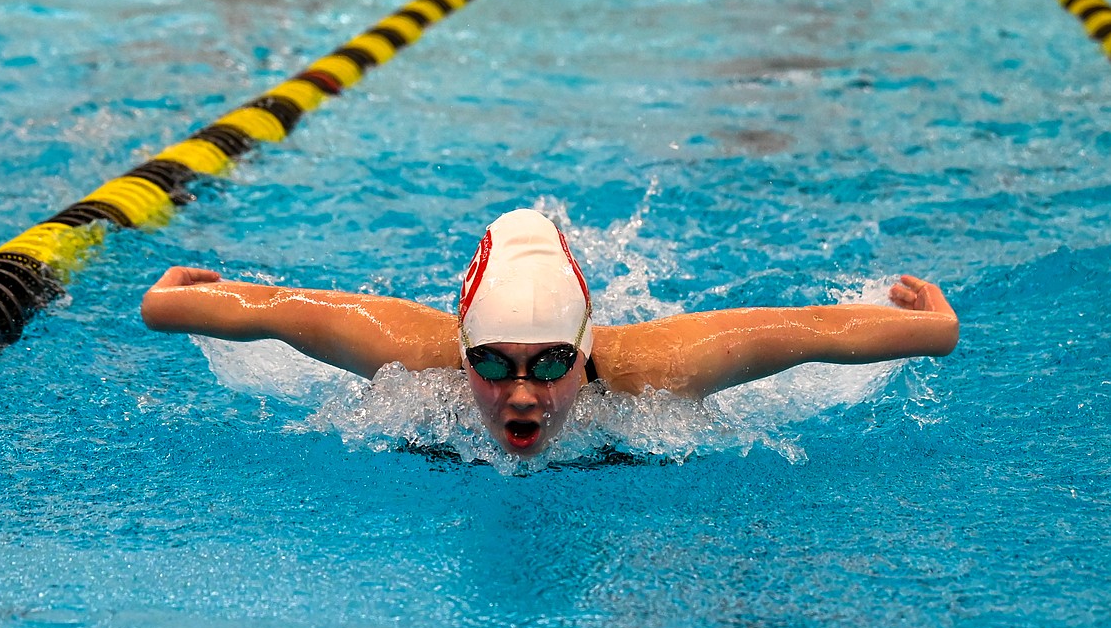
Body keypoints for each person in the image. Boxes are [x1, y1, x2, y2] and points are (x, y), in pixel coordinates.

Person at [142, 209, 959, 455]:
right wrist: (175, 296)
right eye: (492, 363)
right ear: (460, 352)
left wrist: (933, 328)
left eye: (552, 363)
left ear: (590, 349)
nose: (522, 393)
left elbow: (811, 332)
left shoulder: (658, 367)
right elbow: (271, 311)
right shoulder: (403, 349)